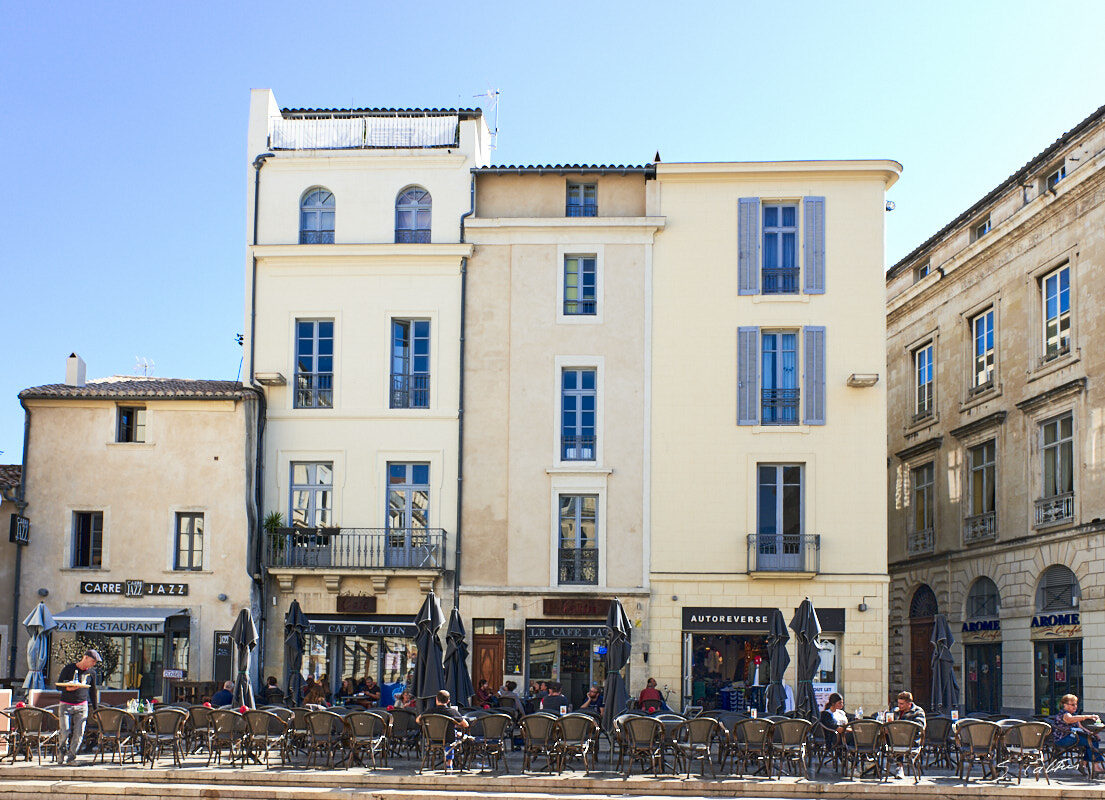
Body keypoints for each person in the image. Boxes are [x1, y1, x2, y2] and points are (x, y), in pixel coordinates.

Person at [55, 648, 101, 765]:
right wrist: (68, 688)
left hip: (82, 706)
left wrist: (95, 709)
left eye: (95, 662)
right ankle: (61, 753)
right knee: (65, 731)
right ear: (85, 658)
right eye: (93, 661)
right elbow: (58, 686)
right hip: (66, 704)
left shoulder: (91, 672)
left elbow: (93, 691)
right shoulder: (69, 669)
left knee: (79, 733)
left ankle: (71, 757)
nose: (93, 664)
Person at [416, 689, 469, 769]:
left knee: (451, 734)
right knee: (457, 736)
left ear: (436, 699)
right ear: (448, 701)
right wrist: (456, 723)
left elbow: (417, 720)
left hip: (432, 739)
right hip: (448, 739)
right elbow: (466, 725)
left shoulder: (430, 711)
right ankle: (449, 763)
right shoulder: (452, 712)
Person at [1052, 693, 1104, 774]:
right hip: (1063, 739)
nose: (1075, 706)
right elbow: (1070, 719)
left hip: (1073, 737)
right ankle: (1095, 766)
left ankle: (1084, 763)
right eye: (1072, 704)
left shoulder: (1074, 715)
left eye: (1076, 704)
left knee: (1093, 739)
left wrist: (1092, 733)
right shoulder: (1064, 714)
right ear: (1065, 705)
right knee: (1090, 741)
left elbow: (1081, 728)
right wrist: (1088, 716)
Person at [890, 691, 926, 777]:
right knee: (880, 736)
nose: (899, 705)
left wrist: (901, 728)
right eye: (898, 703)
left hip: (911, 740)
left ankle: (900, 767)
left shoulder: (917, 712)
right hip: (894, 738)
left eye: (902, 704)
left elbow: (920, 727)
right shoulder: (895, 711)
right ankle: (874, 765)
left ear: (909, 704)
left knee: (900, 738)